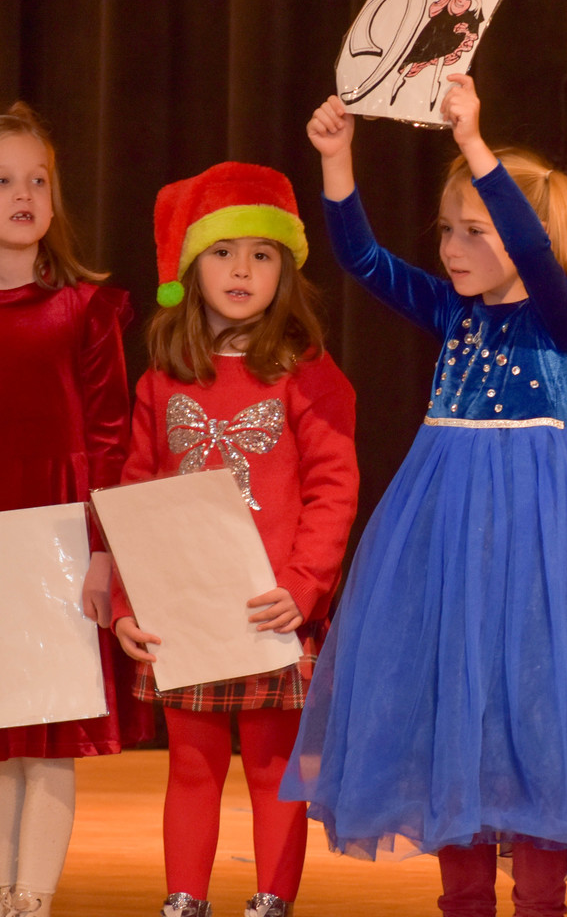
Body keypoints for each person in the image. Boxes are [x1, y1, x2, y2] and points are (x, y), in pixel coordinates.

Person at [281, 75, 567, 917]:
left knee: (531, 720)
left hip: (531, 547)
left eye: (473, 233)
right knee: (451, 719)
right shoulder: (454, 313)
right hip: (445, 537)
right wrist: (337, 161)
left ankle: (539, 901)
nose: (451, 249)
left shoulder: (558, 318)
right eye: (447, 231)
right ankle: (462, 900)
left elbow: (535, 256)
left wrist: (473, 147)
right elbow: (362, 259)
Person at [111, 162, 359, 917]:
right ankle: (184, 897)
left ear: (285, 269)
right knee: (189, 761)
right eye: (222, 252)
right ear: (191, 266)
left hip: (270, 607)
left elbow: (332, 488)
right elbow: (134, 495)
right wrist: (128, 600)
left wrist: (303, 586)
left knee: (277, 765)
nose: (242, 269)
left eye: (261, 253)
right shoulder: (163, 376)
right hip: (185, 609)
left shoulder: (307, 373)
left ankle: (270, 900)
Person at [0, 102, 152, 917]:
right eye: (2, 181)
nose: (23, 194)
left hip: (56, 534)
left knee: (48, 736)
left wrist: (102, 549)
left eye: (38, 180)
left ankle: (33, 898)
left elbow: (107, 433)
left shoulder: (85, 309)